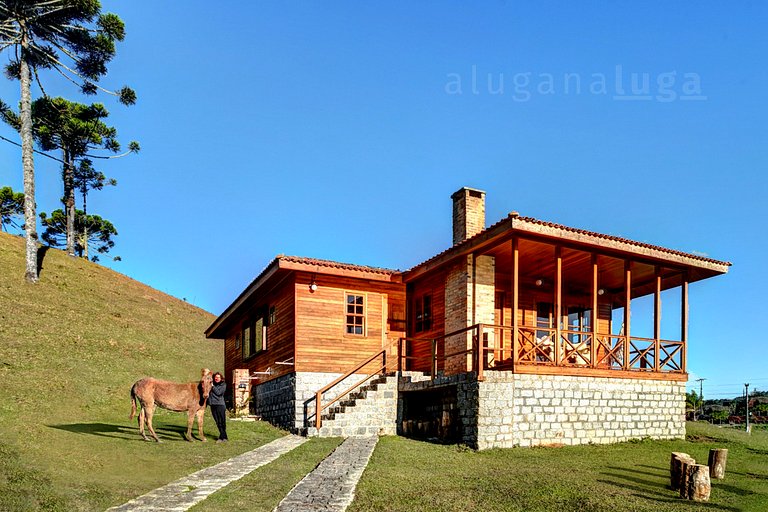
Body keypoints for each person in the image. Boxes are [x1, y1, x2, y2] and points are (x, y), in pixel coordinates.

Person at [209, 372, 228, 442]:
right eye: (215, 377)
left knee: (222, 421)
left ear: (221, 378)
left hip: (220, 405)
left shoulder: (223, 385)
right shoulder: (211, 384)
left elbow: (219, 393)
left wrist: (213, 386)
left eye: (218, 377)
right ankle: (224, 437)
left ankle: (221, 437)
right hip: (213, 405)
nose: (216, 378)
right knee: (217, 421)